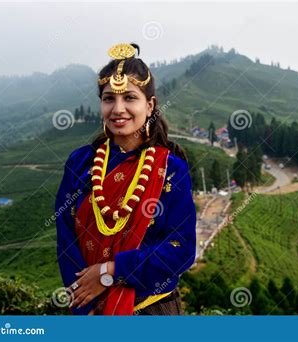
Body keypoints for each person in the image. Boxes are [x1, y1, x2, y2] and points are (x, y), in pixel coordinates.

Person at [55, 43, 196, 315]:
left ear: (150, 105)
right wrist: (84, 297)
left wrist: (109, 272)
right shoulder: (80, 163)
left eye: (130, 98)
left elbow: (181, 249)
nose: (118, 109)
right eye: (109, 99)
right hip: (88, 305)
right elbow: (66, 239)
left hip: (152, 309)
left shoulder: (171, 168)